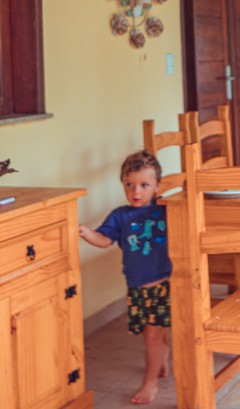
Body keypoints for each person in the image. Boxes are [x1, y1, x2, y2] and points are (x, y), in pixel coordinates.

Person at [79, 150, 171, 404]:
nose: (136, 192)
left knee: (152, 337)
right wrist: (86, 232)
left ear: (157, 187)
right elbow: (105, 239)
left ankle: (150, 383)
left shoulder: (165, 210)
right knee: (147, 334)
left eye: (144, 185)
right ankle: (163, 355)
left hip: (163, 285)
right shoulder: (120, 216)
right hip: (135, 287)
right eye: (129, 185)